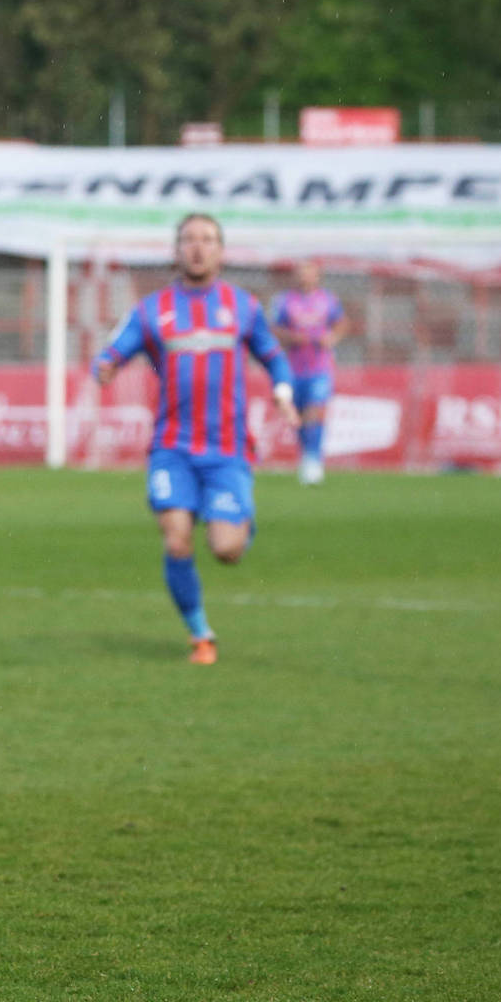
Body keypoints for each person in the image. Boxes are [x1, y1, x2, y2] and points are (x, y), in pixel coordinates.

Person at [91, 214, 299, 666]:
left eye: (207, 240)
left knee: (226, 550)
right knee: (177, 540)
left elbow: (274, 357)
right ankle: (200, 633)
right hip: (173, 448)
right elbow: (112, 351)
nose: (198, 248)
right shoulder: (152, 310)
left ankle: (239, 520)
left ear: (221, 251)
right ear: (177, 249)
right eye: (189, 239)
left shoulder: (242, 307)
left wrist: (283, 392)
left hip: (227, 450)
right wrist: (105, 367)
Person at [271, 259, 347, 485]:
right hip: (293, 367)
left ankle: (314, 460)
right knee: (301, 416)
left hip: (320, 366)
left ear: (317, 276)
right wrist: (292, 337)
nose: (305, 277)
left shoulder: (328, 300)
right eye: (301, 273)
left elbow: (342, 324)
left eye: (309, 273)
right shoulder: (284, 301)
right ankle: (306, 455)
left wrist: (332, 338)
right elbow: (274, 328)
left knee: (315, 411)